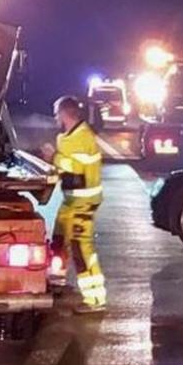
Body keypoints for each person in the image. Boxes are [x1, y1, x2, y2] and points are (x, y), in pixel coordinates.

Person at [42, 96, 107, 313]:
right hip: (71, 200)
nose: (54, 118)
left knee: (81, 248)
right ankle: (57, 281)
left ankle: (95, 298)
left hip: (84, 202)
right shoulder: (67, 137)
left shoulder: (82, 137)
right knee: (59, 240)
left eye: (56, 113)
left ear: (64, 113)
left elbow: (75, 169)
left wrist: (55, 158)